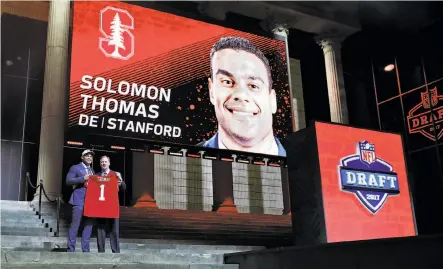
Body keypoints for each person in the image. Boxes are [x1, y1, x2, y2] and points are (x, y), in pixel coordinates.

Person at [198, 36, 286, 157]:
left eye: (253, 86)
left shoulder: (308, 165)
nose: (241, 95)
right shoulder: (187, 161)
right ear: (212, 91)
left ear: (272, 101)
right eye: (227, 82)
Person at [66, 149, 96, 252]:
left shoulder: (92, 171)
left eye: (91, 156)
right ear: (82, 157)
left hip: (90, 202)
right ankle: (70, 249)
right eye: (87, 155)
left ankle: (85, 250)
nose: (89, 157)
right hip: (78, 200)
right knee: (75, 225)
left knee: (88, 225)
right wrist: (83, 178)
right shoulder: (75, 168)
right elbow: (68, 181)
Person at [95, 155, 126, 253]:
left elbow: (123, 188)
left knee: (114, 230)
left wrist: (121, 181)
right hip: (100, 207)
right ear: (100, 164)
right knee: (100, 230)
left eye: (105, 161)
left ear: (109, 163)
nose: (103, 163)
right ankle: (101, 251)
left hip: (112, 206)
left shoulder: (115, 174)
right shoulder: (96, 176)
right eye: (102, 162)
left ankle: (116, 251)